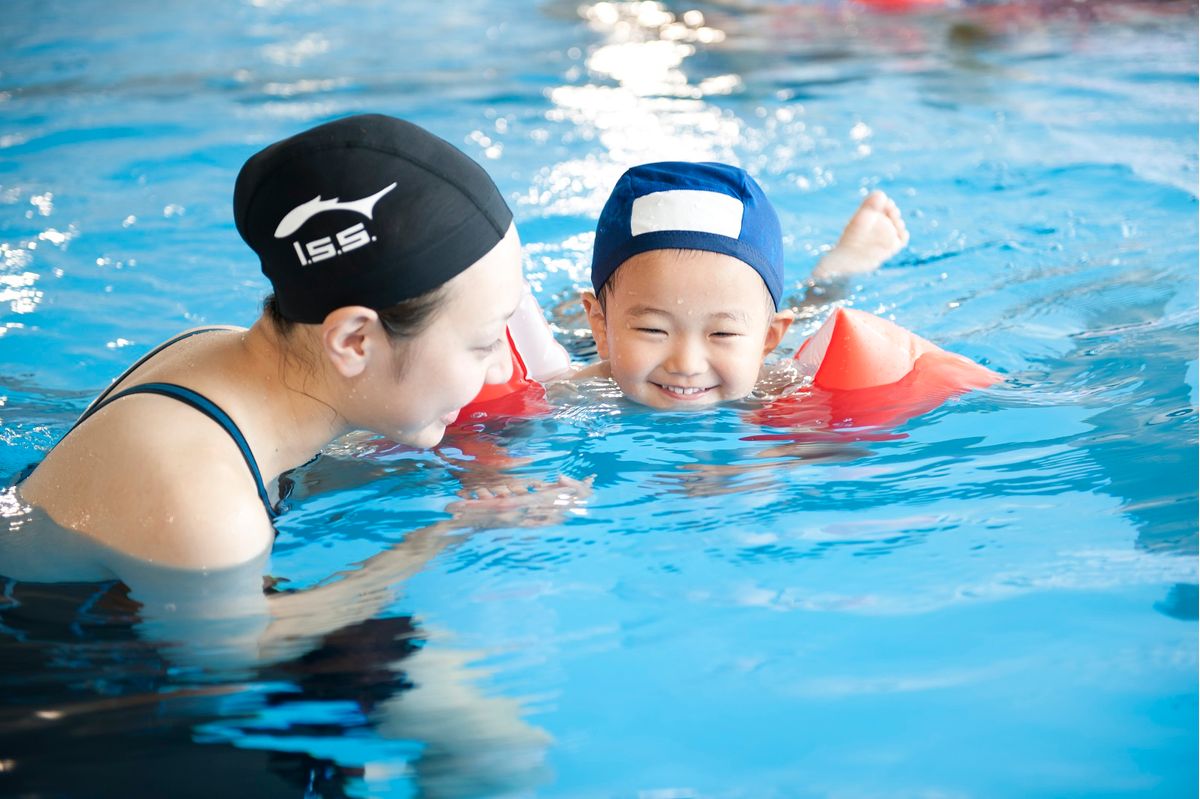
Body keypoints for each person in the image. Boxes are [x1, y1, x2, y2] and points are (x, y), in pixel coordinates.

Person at [10, 113, 585, 574]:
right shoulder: (206, 507)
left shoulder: (215, 352)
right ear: (354, 341)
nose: (496, 372)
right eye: (484, 344)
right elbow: (239, 658)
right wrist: (443, 535)